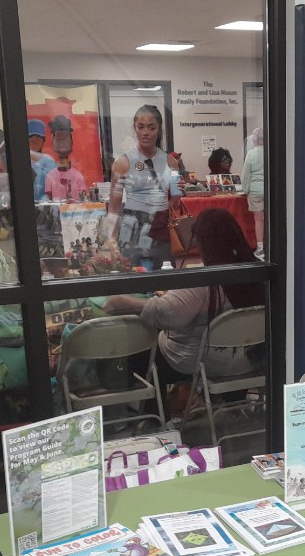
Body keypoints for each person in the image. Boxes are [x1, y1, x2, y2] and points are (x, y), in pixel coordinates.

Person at [105, 207, 264, 391]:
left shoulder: (202, 280)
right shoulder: (257, 270)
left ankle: (154, 417)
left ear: (201, 241)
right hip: (250, 360)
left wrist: (123, 303)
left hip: (204, 361)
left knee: (140, 351)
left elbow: (167, 314)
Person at [106, 104, 182, 267]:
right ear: (135, 128)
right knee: (135, 283)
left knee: (165, 280)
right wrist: (111, 238)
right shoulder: (122, 163)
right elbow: (113, 208)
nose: (145, 133)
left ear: (159, 129)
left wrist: (170, 202)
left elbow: (176, 200)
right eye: (140, 127)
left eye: (151, 127)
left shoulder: (171, 162)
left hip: (160, 228)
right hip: (131, 229)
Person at [243, 130, 266, 259]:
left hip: (255, 190)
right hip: (268, 189)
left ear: (255, 140)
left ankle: (260, 248)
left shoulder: (251, 154)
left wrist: (246, 190)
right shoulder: (270, 152)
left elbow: (246, 174)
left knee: (259, 219)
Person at [27, 119, 56, 202]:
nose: (34, 139)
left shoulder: (48, 160)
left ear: (43, 141)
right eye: (31, 137)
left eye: (38, 137)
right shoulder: (19, 162)